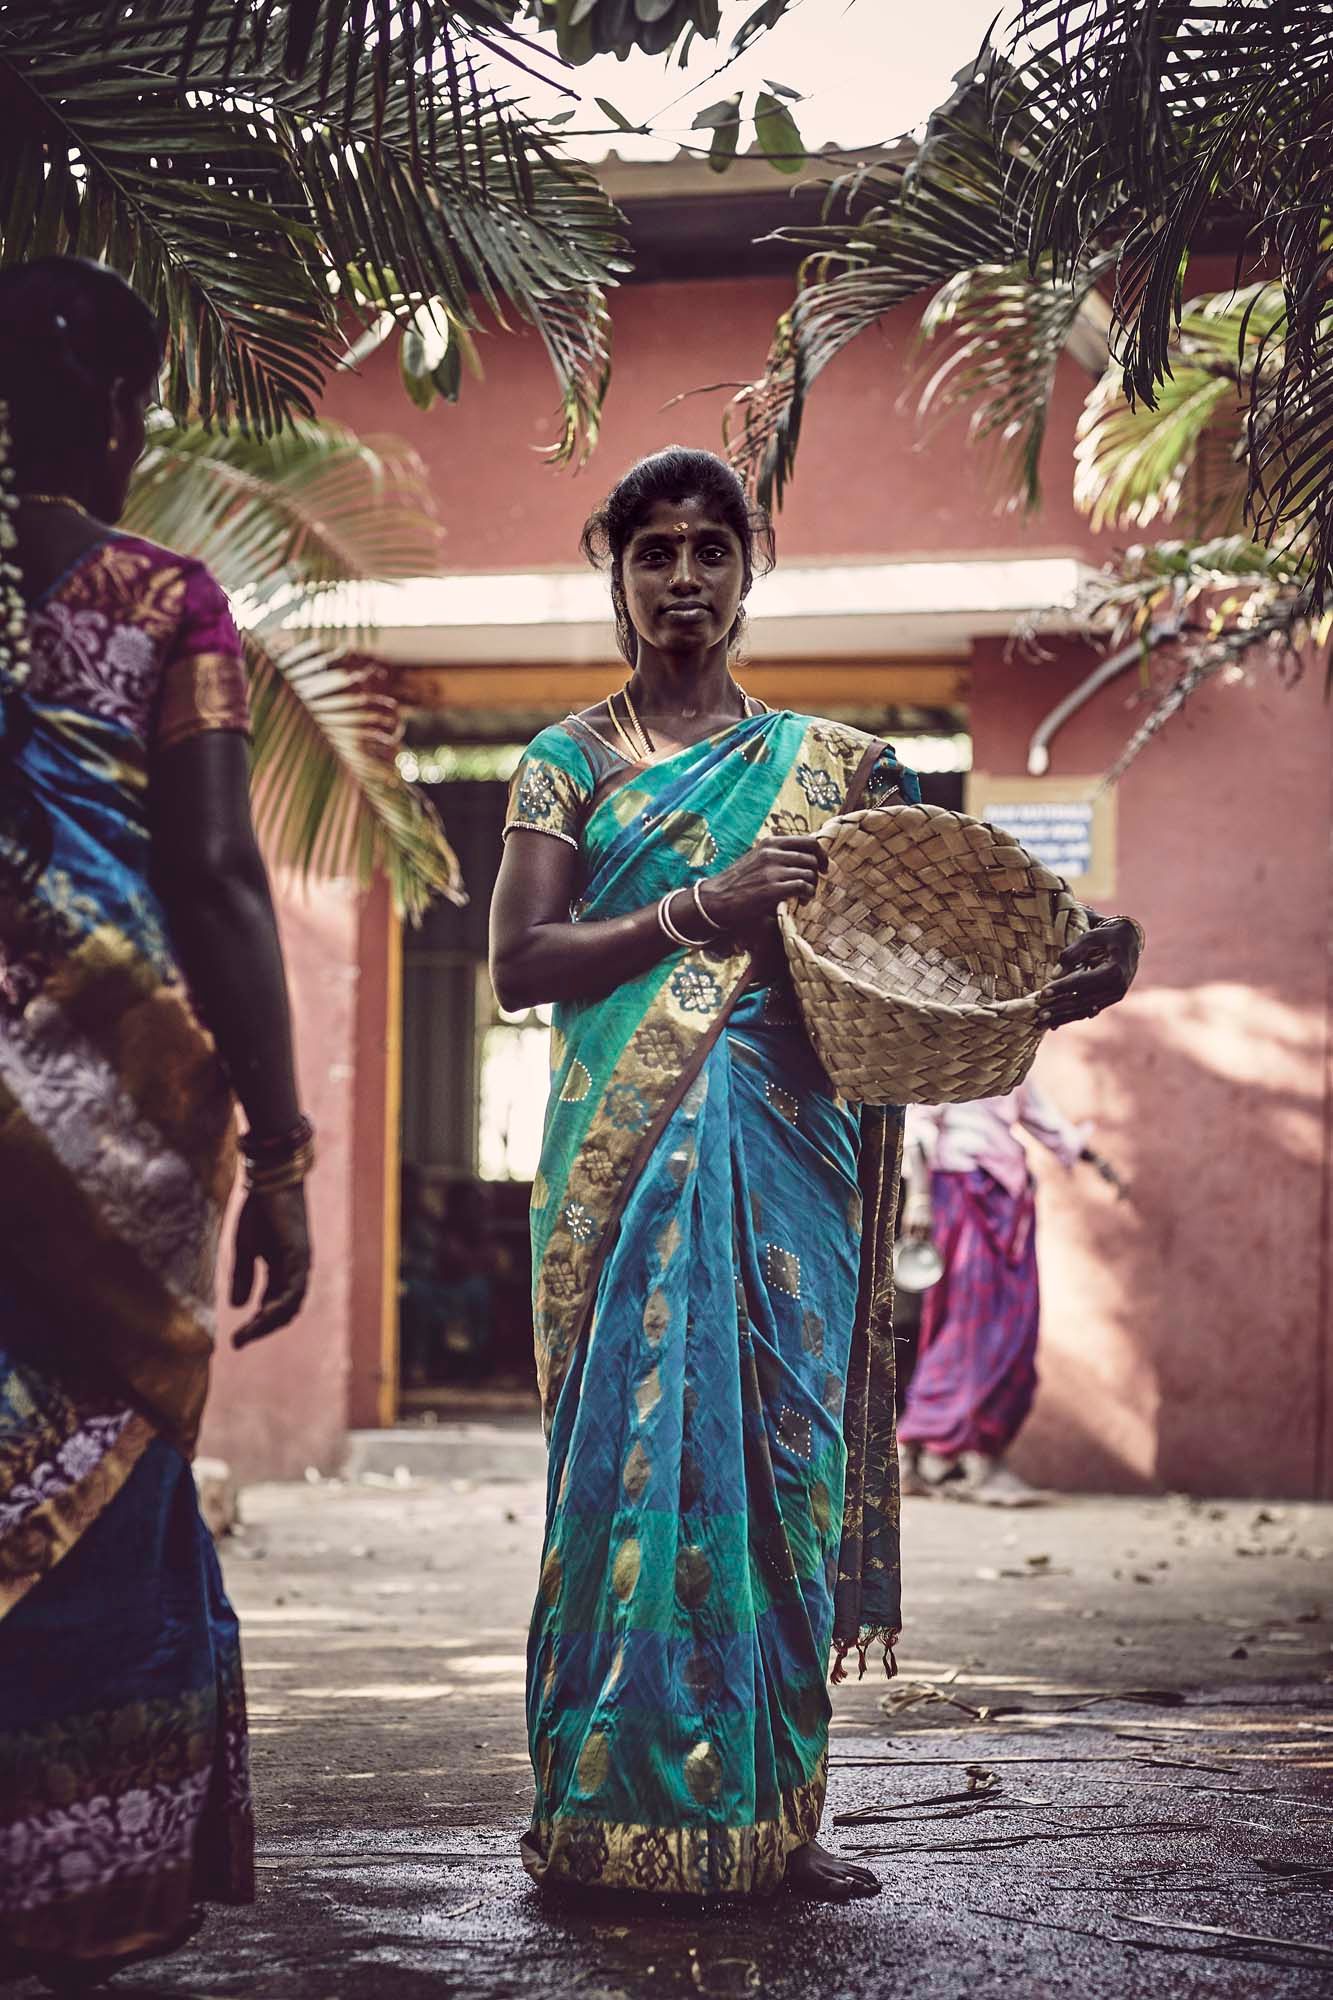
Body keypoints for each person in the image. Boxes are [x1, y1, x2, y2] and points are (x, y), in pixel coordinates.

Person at [489, 446, 1142, 1901]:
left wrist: (1085, 967)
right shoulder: (566, 763)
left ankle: (772, 1817)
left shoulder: (841, 773)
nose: (681, 580)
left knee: (777, 1473)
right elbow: (520, 965)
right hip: (625, 1174)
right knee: (631, 1478)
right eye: (652, 552)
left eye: (708, 551)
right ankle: (592, 1809)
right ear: (616, 571)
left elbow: (943, 954)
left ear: (748, 567)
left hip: (791, 1173)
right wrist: (692, 908)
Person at [0, 257, 312, 1986]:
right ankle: (73, 1889)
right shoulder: (163, 601)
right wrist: (284, 1152)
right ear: (122, 418)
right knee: (104, 1489)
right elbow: (209, 877)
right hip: (108, 1152)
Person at [898, 1081, 1126, 1505]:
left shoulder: (1011, 1053)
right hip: (961, 1192)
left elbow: (1044, 1119)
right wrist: (920, 1200)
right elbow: (918, 1123)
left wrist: (1095, 1159)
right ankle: (947, 1453)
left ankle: (948, 1455)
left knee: (1014, 1329)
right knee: (969, 1327)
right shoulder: (950, 1046)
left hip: (1010, 1200)